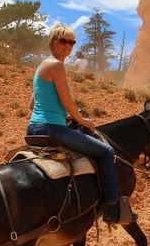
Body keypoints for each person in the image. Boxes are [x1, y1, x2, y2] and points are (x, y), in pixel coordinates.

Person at [27, 24, 134, 225]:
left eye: (71, 42)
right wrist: (81, 120)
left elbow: (32, 103)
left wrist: (61, 116)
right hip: (52, 129)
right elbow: (67, 102)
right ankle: (111, 207)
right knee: (106, 152)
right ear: (52, 43)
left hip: (34, 129)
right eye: (63, 41)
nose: (68, 45)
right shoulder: (56, 66)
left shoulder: (42, 66)